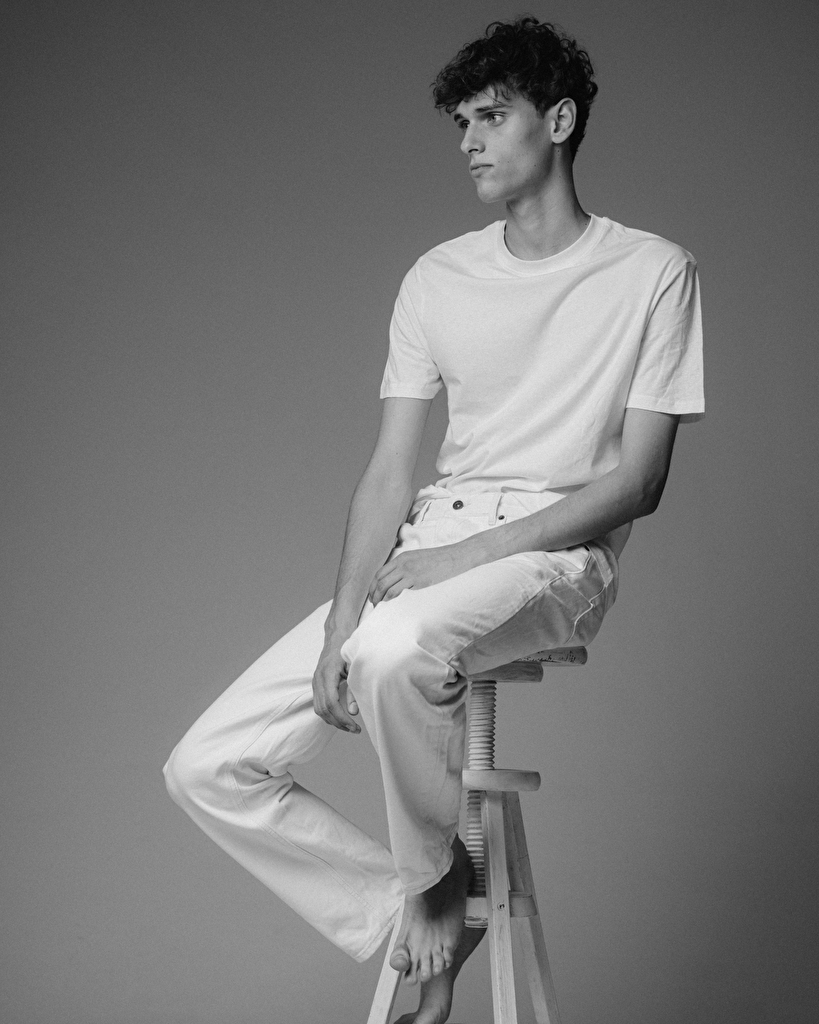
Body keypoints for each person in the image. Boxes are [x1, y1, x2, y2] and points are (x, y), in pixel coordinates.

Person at [163, 16, 703, 1024]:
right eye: (461, 122)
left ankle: (433, 883)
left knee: (397, 646)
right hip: (428, 546)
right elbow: (387, 473)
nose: (469, 141)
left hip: (553, 552)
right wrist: (340, 617)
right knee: (205, 766)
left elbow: (638, 482)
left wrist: (460, 560)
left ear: (559, 120)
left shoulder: (652, 272)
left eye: (492, 116)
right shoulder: (437, 276)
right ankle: (415, 902)